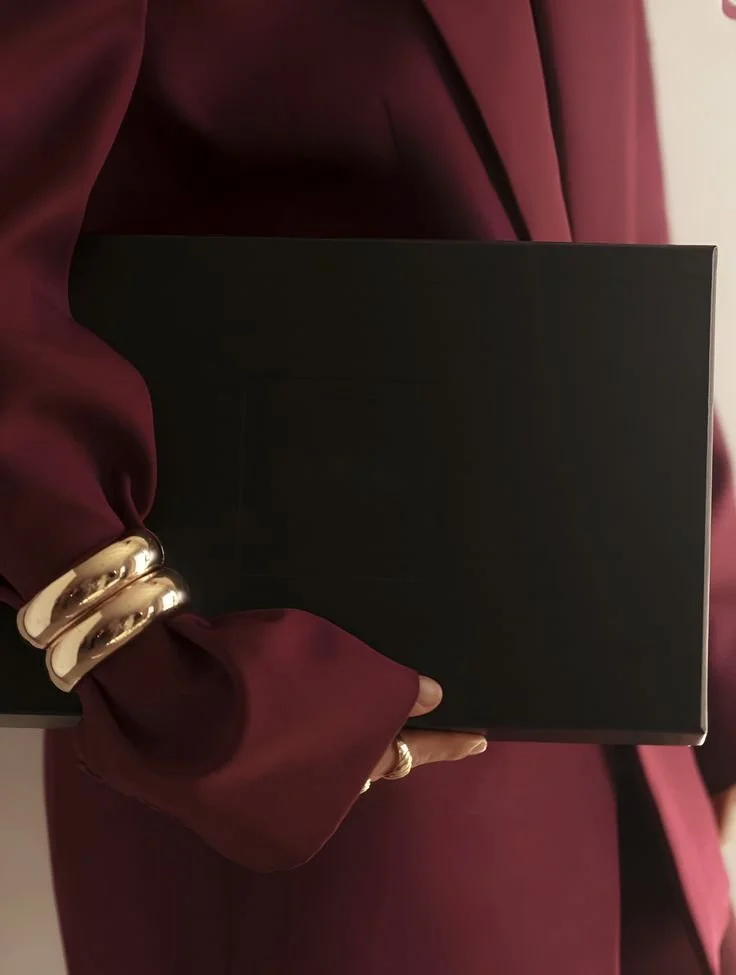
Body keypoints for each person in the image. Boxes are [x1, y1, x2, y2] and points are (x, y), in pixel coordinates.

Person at [2, 1, 736, 973]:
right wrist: (157, 670)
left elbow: (607, 257)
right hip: (309, 773)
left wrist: (716, 646)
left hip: (641, 781)